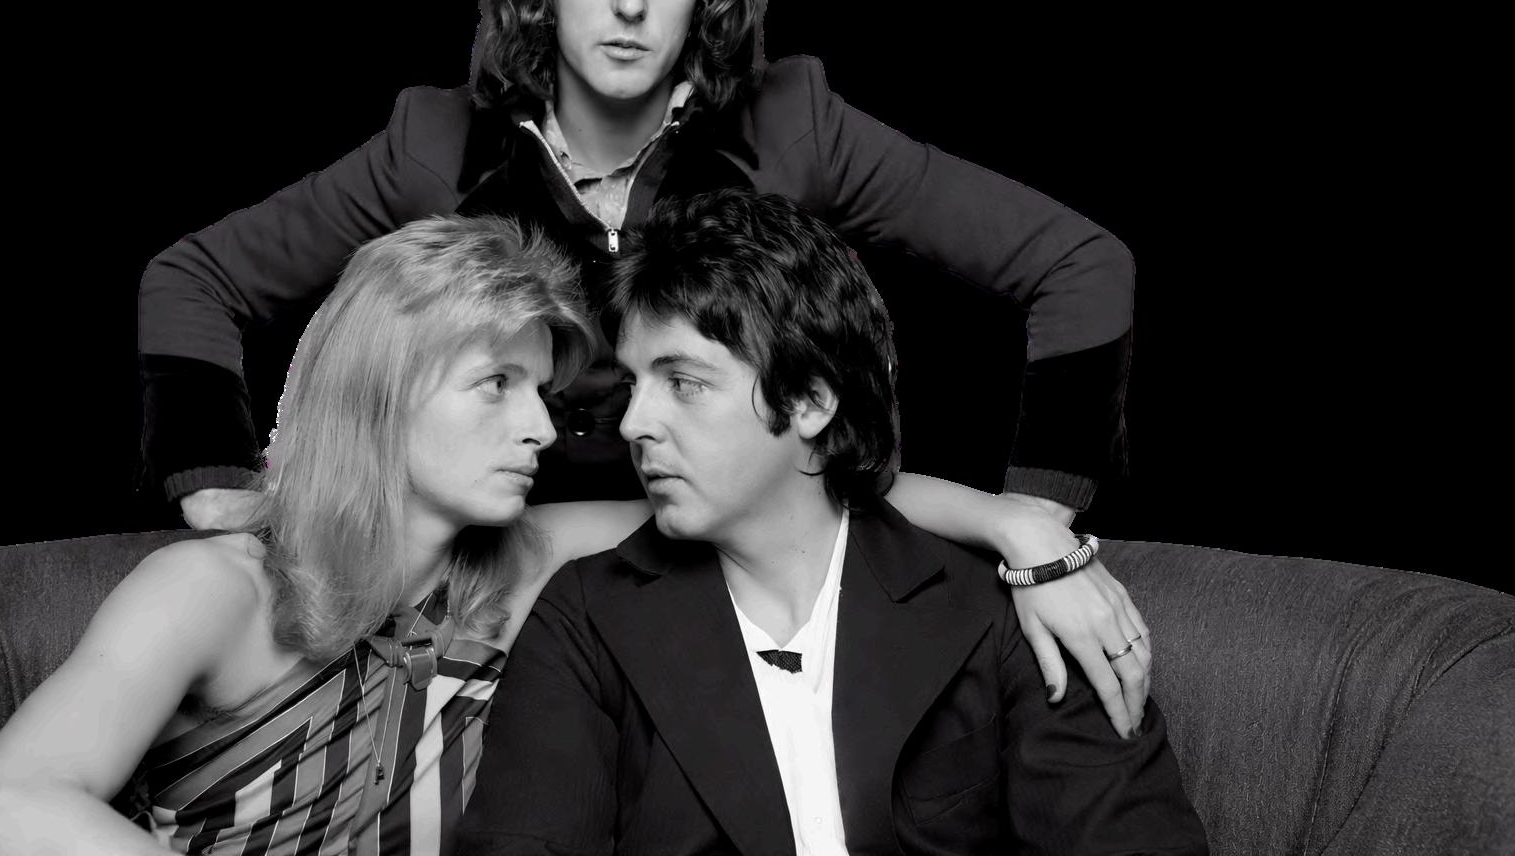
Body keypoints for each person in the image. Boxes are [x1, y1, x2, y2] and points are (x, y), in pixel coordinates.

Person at [138, 0, 1144, 732]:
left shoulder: (796, 124)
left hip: (747, 570)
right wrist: (218, 486)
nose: (630, 3)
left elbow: (1082, 267)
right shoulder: (434, 146)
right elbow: (193, 280)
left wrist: (1037, 516)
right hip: (510, 595)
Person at [0, 214, 1114, 853]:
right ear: (381, 390)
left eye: (543, 393)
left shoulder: (532, 564)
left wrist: (1014, 525)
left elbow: (789, 495)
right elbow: (11, 803)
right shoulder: (215, 587)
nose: (541, 428)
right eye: (497, 385)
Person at [455, 189, 1205, 855]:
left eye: (683, 382)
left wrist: (1031, 537)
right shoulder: (583, 622)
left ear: (811, 401)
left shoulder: (1007, 607)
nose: (633, 424)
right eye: (633, 384)